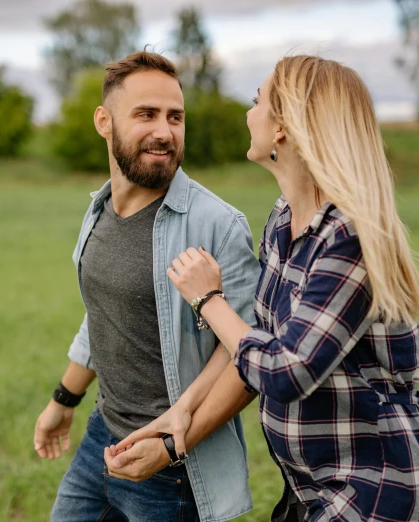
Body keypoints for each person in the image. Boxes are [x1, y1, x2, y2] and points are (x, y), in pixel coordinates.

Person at [108, 55, 419, 522]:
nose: (248, 113)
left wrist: (207, 299)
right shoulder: (281, 221)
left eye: (257, 102)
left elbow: (283, 371)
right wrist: (182, 414)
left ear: (282, 129)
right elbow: (255, 339)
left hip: (375, 485)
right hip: (313, 483)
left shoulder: (347, 236)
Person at [33, 50, 261, 522]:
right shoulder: (99, 210)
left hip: (172, 464)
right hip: (104, 434)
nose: (164, 131)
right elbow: (103, 315)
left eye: (175, 117)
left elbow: (248, 359)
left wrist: (170, 446)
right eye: (146, 114)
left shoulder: (217, 224)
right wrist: (64, 399)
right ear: (104, 121)